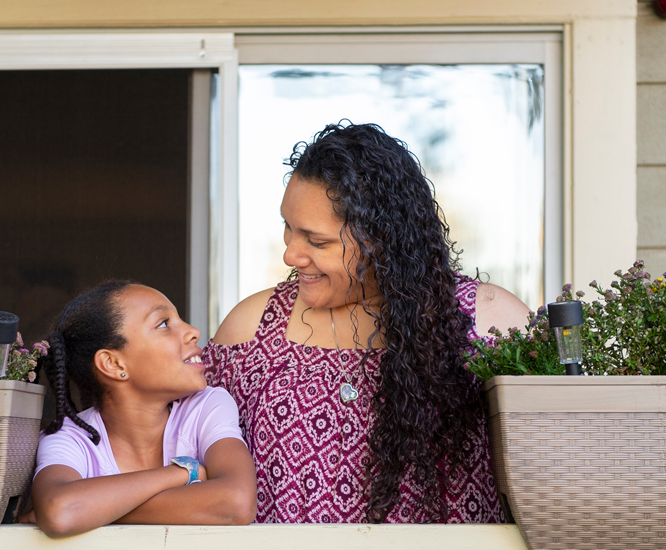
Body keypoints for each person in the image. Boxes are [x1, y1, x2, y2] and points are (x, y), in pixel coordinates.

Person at [202, 122, 531, 524]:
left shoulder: (487, 322)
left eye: (316, 241)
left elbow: (557, 470)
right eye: (288, 229)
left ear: (381, 239)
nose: (290, 255)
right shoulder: (251, 330)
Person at [22, 281, 257, 537]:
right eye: (164, 323)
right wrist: (181, 473)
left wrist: (96, 510)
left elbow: (237, 502)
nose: (193, 331)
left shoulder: (206, 407)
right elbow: (60, 513)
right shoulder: (69, 438)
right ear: (113, 363)